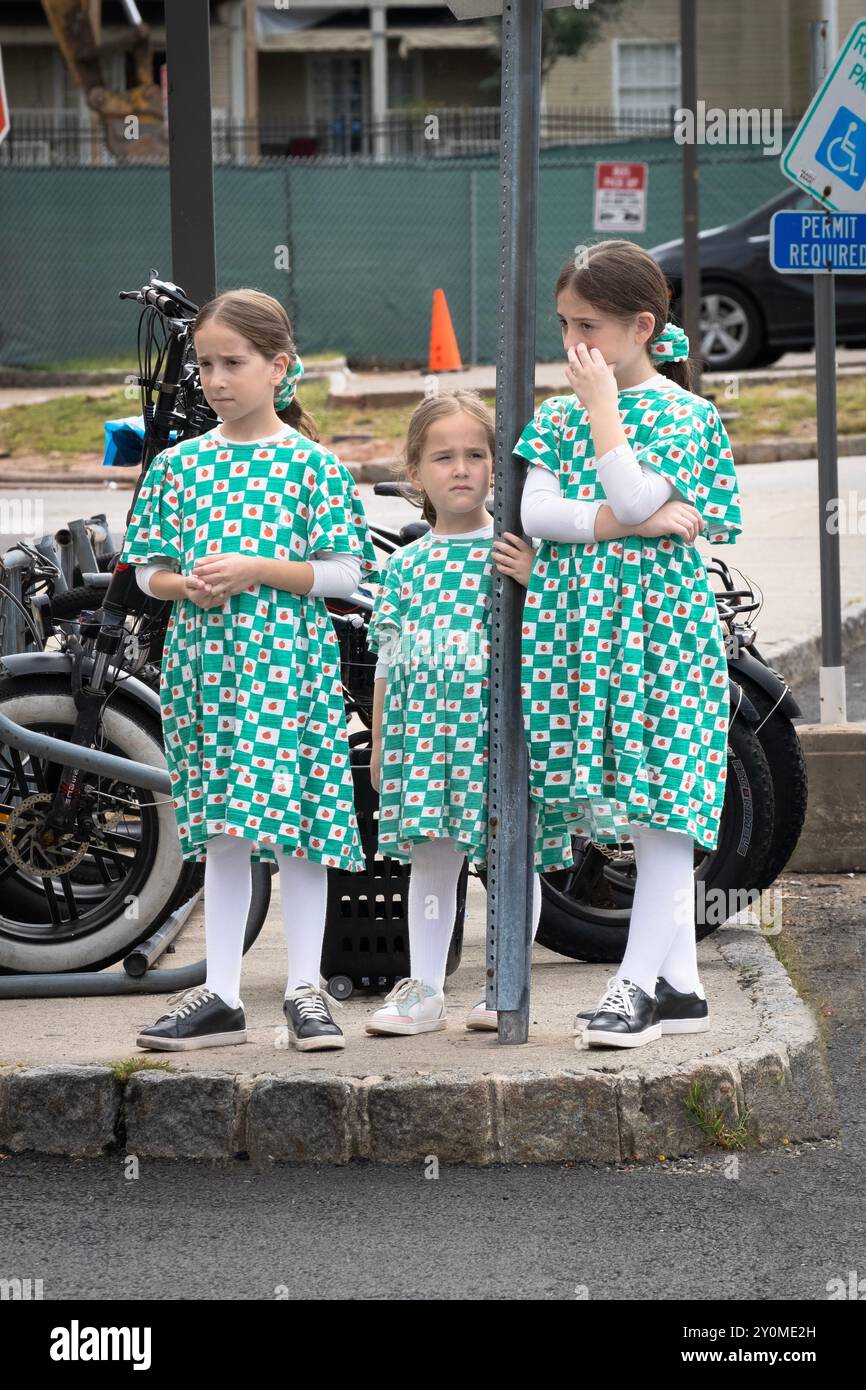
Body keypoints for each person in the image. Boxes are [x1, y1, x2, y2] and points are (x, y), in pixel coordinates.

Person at [118, 288, 379, 1053]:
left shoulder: (311, 468)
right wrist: (183, 584)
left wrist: (258, 568)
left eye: (233, 363)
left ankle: (304, 991)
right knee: (226, 831)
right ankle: (222, 995)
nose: (215, 379)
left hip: (289, 670)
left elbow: (341, 576)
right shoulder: (179, 467)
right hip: (209, 671)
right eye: (204, 364)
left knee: (300, 829)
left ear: (279, 367)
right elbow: (144, 573)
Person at [513, 239, 742, 1049]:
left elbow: (641, 487)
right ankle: (679, 987)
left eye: (590, 327)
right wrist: (616, 525)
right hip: (580, 630)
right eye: (566, 324)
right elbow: (540, 513)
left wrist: (607, 422)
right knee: (636, 805)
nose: (574, 344)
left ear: (642, 327)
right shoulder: (554, 414)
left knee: (664, 807)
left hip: (659, 634)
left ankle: (637, 987)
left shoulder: (686, 414)